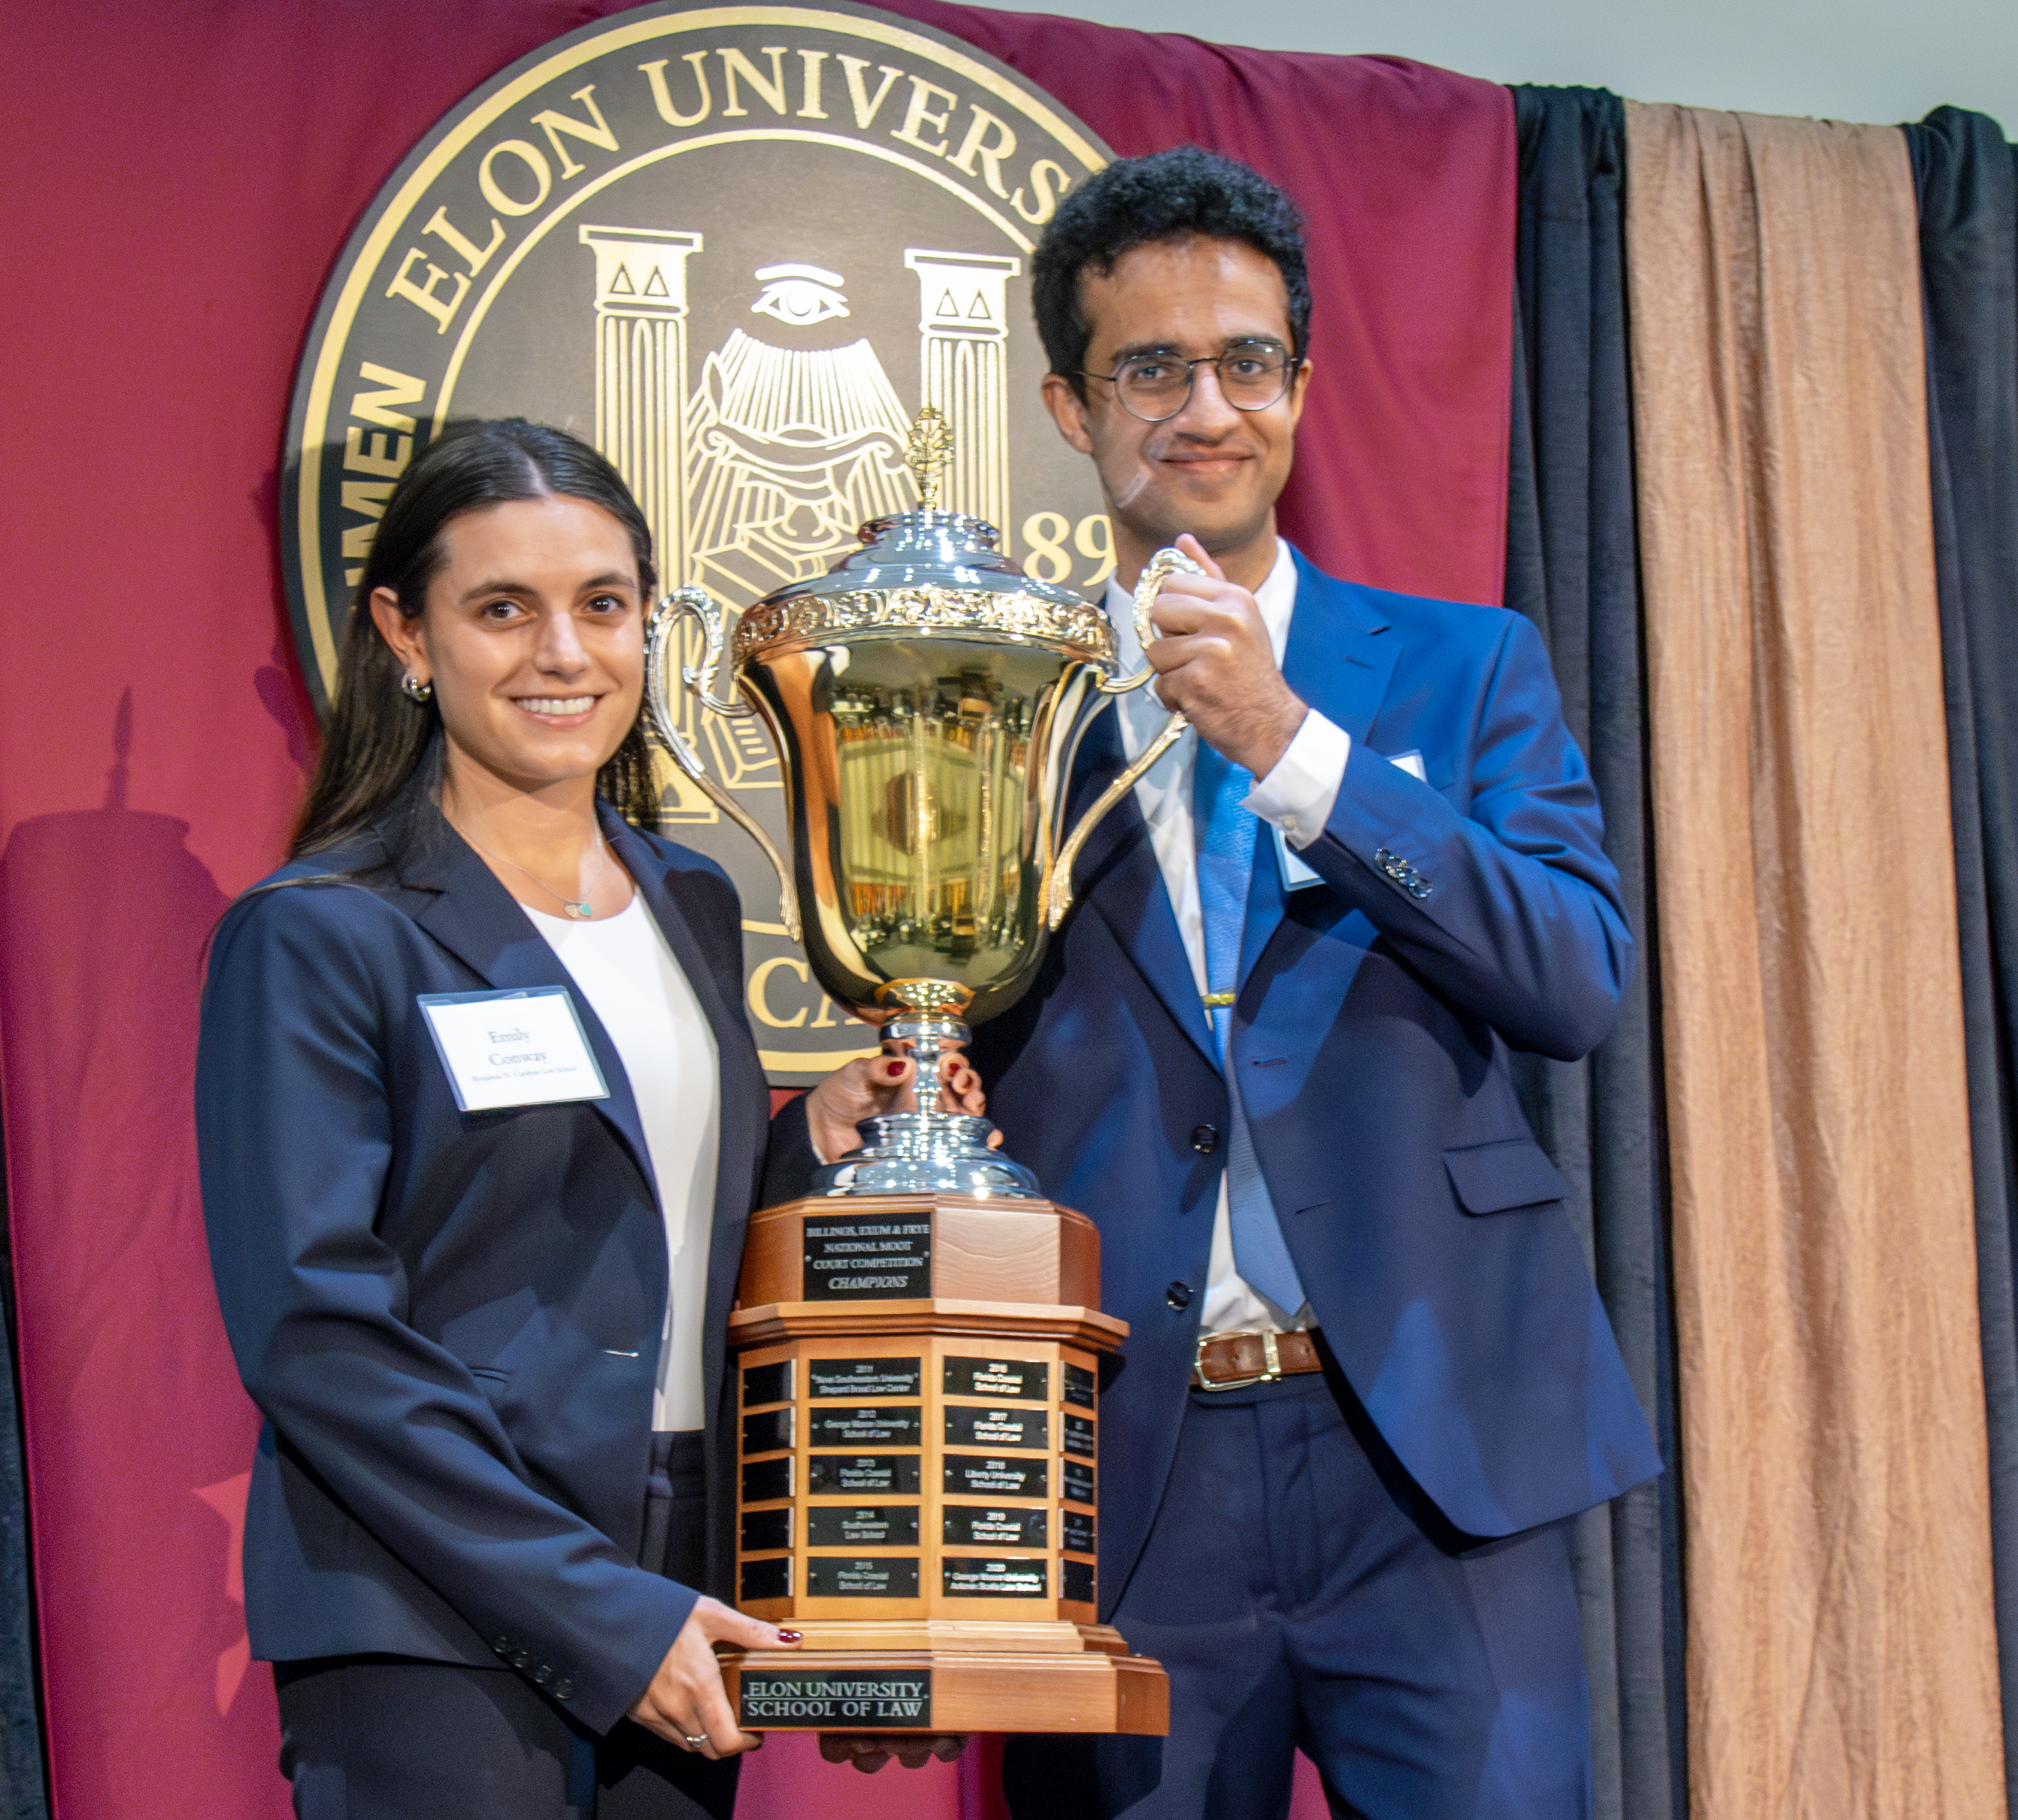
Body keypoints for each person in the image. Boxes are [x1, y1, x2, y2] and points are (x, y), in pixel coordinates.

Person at [964, 147, 1662, 1818]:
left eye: (1248, 362)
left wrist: (1297, 751)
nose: (1207, 406)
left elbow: (1572, 977)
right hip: (1126, 1468)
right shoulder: (999, 703)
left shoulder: (1461, 662)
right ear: (1071, 402)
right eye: (1152, 367)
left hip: (1430, 1450)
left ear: (1302, 388)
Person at [196, 418, 980, 1818]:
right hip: (433, 1600)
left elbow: (660, 1228)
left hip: (684, 1572)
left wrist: (813, 1146)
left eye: (602, 606)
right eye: (504, 608)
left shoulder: (692, 901)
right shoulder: (321, 932)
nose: (564, 654)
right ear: (407, 634)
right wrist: (600, 1615)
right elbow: (315, 1332)